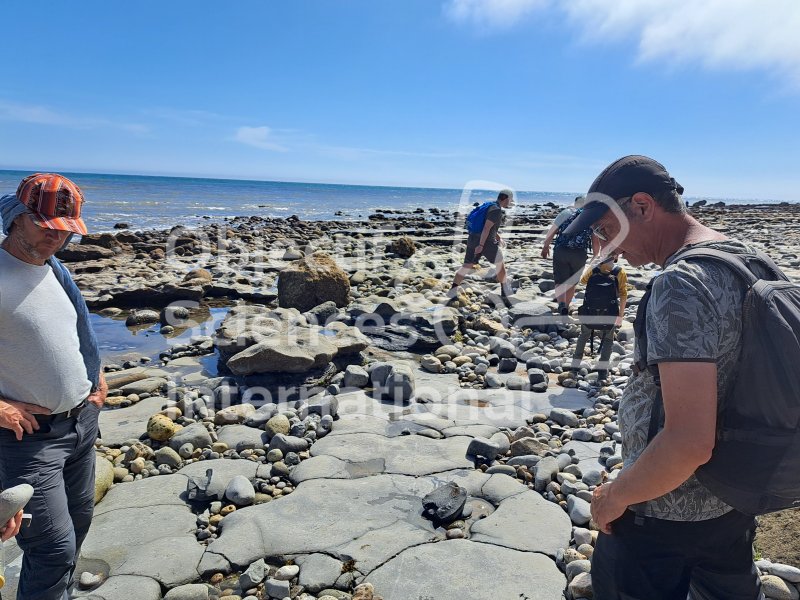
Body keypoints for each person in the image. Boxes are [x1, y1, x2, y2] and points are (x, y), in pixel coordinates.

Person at [562, 155, 766, 599]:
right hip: (733, 499)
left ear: (641, 205)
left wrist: (616, 497)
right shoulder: (749, 262)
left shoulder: (682, 283)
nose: (606, 247)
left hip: (663, 513)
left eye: (605, 229)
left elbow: (689, 441)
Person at [0, 173, 107, 599]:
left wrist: (94, 375)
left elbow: (73, 329)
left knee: (78, 525)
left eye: (65, 232)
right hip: (29, 441)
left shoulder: (54, 268)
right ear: (18, 217)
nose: (55, 239)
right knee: (51, 548)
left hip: (81, 425)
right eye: (46, 227)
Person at [449, 189, 514, 307]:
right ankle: (505, 294)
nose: (510, 203)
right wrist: (481, 245)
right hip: (486, 242)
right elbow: (486, 229)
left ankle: (452, 292)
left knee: (467, 266)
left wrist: (499, 238)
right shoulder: (496, 210)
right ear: (506, 198)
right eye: (510, 200)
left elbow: (488, 227)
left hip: (473, 238)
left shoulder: (489, 205)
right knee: (500, 265)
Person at [570, 254, 627, 382]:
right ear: (615, 256)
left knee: (584, 335)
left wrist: (593, 264)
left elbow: (583, 281)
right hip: (609, 313)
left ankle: (574, 367)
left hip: (590, 311)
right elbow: (623, 294)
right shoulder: (619, 272)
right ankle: (602, 371)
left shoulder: (595, 269)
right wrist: (620, 316)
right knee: (608, 340)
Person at [540, 195, 599, 315]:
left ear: (575, 203)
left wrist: (546, 247)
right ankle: (567, 306)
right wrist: (595, 255)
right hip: (579, 254)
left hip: (561, 251)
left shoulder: (565, 212)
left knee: (560, 280)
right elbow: (595, 239)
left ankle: (561, 304)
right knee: (572, 282)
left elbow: (552, 232)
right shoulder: (591, 217)